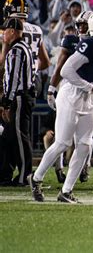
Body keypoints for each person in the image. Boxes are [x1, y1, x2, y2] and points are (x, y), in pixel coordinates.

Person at [28, 9, 93, 203]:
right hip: (71, 94)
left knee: (85, 145)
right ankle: (36, 178)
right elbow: (67, 70)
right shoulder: (89, 44)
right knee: (62, 142)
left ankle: (67, 191)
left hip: (88, 98)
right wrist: (88, 86)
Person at [47, 10, 93, 183]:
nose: (82, 28)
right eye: (80, 25)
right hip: (69, 90)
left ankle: (85, 165)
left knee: (85, 137)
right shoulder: (71, 41)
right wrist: (52, 88)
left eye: (85, 25)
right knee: (62, 138)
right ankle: (59, 168)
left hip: (88, 92)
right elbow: (60, 66)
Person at [0, 18, 35, 186]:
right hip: (21, 96)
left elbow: (14, 78)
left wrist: (6, 102)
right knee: (9, 137)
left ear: (12, 31)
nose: (3, 34)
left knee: (20, 137)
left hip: (19, 97)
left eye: (5, 30)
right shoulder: (23, 47)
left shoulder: (17, 50)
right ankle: (6, 174)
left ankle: (25, 176)